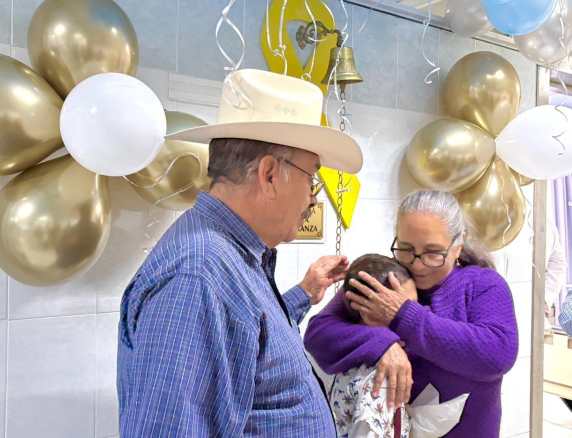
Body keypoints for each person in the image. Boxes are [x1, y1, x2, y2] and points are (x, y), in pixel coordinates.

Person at [116, 69, 363, 437]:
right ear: (269, 175)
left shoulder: (227, 257)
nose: (313, 199)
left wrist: (303, 294)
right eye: (311, 179)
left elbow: (247, 339)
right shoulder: (199, 276)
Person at [304, 190, 519, 438]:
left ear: (458, 243)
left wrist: (404, 316)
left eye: (433, 252)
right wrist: (383, 345)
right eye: (406, 249)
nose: (417, 265)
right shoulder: (385, 278)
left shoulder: (483, 284)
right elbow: (318, 334)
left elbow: (497, 354)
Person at [330, 254, 417, 438]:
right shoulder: (381, 377)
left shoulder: (348, 356)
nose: (414, 318)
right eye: (402, 310)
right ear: (369, 315)